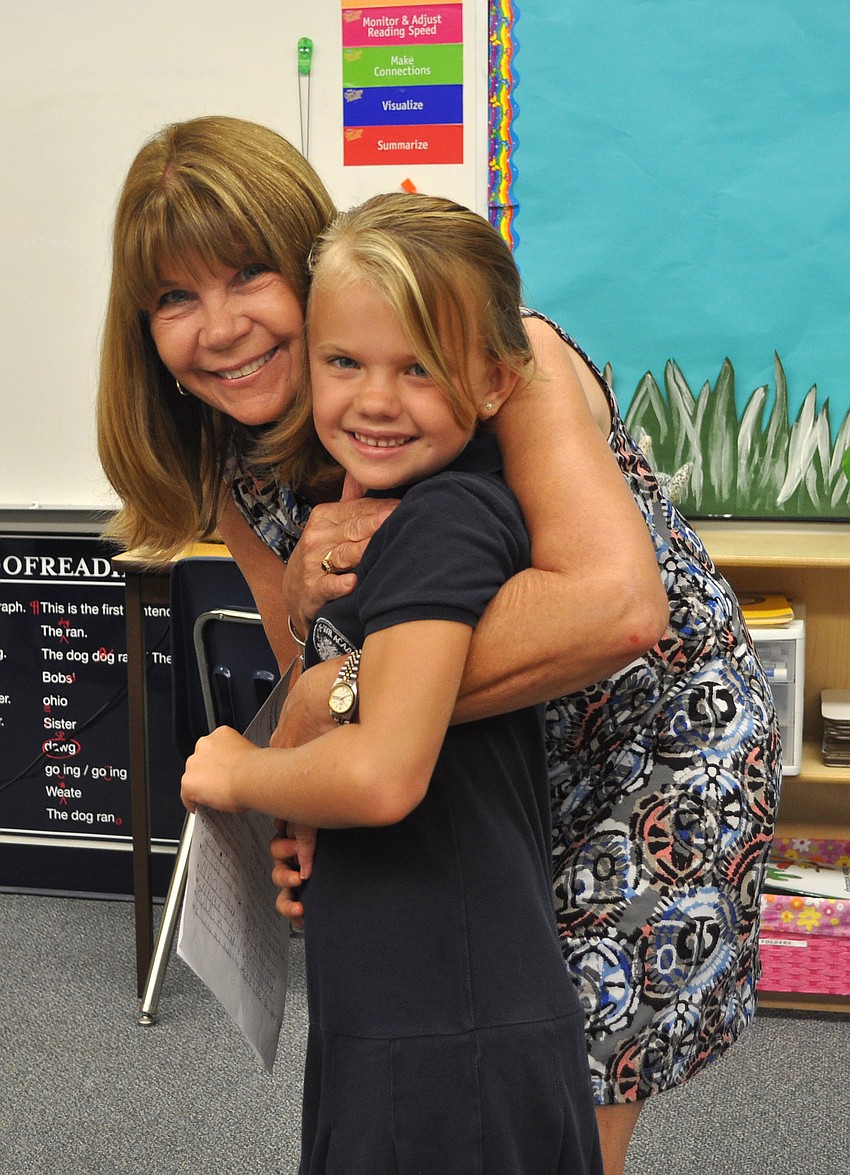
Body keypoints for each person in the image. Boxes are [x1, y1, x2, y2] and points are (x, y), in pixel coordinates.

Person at [97, 115, 780, 1175]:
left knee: (561, 1093)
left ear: (309, 265)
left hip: (645, 748)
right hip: (479, 766)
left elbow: (615, 608)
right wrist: (309, 782)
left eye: (247, 275)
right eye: (175, 298)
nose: (220, 328)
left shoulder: (488, 352)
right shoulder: (233, 459)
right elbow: (312, 660)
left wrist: (343, 703)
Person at [181, 190, 605, 1175]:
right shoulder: (385, 514)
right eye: (345, 362)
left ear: (495, 381)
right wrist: (304, 809)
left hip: (450, 1030)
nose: (375, 399)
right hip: (401, 1001)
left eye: (418, 367)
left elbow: (383, 771)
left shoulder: (439, 525)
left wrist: (241, 773)